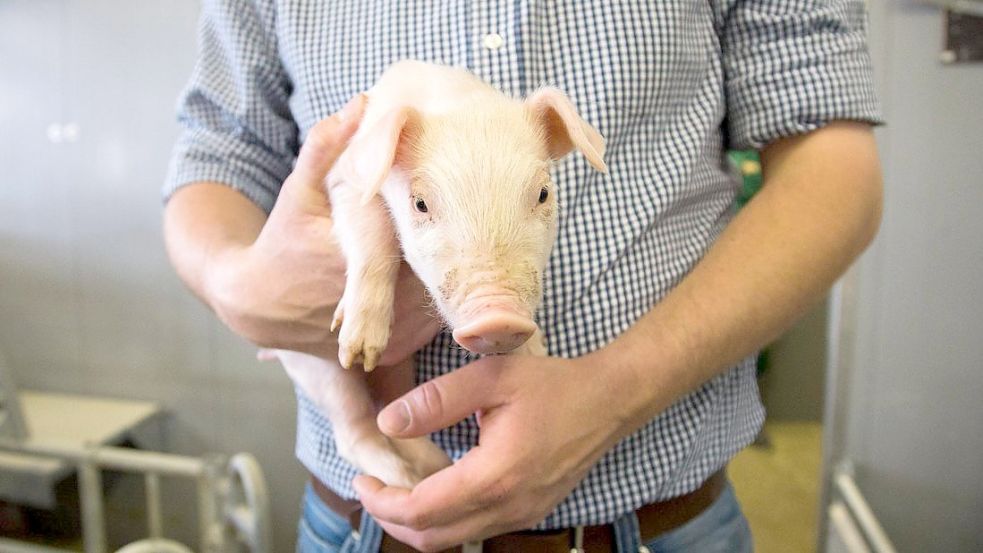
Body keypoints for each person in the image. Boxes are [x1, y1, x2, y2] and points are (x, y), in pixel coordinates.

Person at [163, 1, 883, 552]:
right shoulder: (395, 122)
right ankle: (369, 434)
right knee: (353, 400)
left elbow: (834, 173)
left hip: (653, 521)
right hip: (362, 521)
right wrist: (244, 287)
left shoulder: (525, 123)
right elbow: (215, 155)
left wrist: (613, 393)